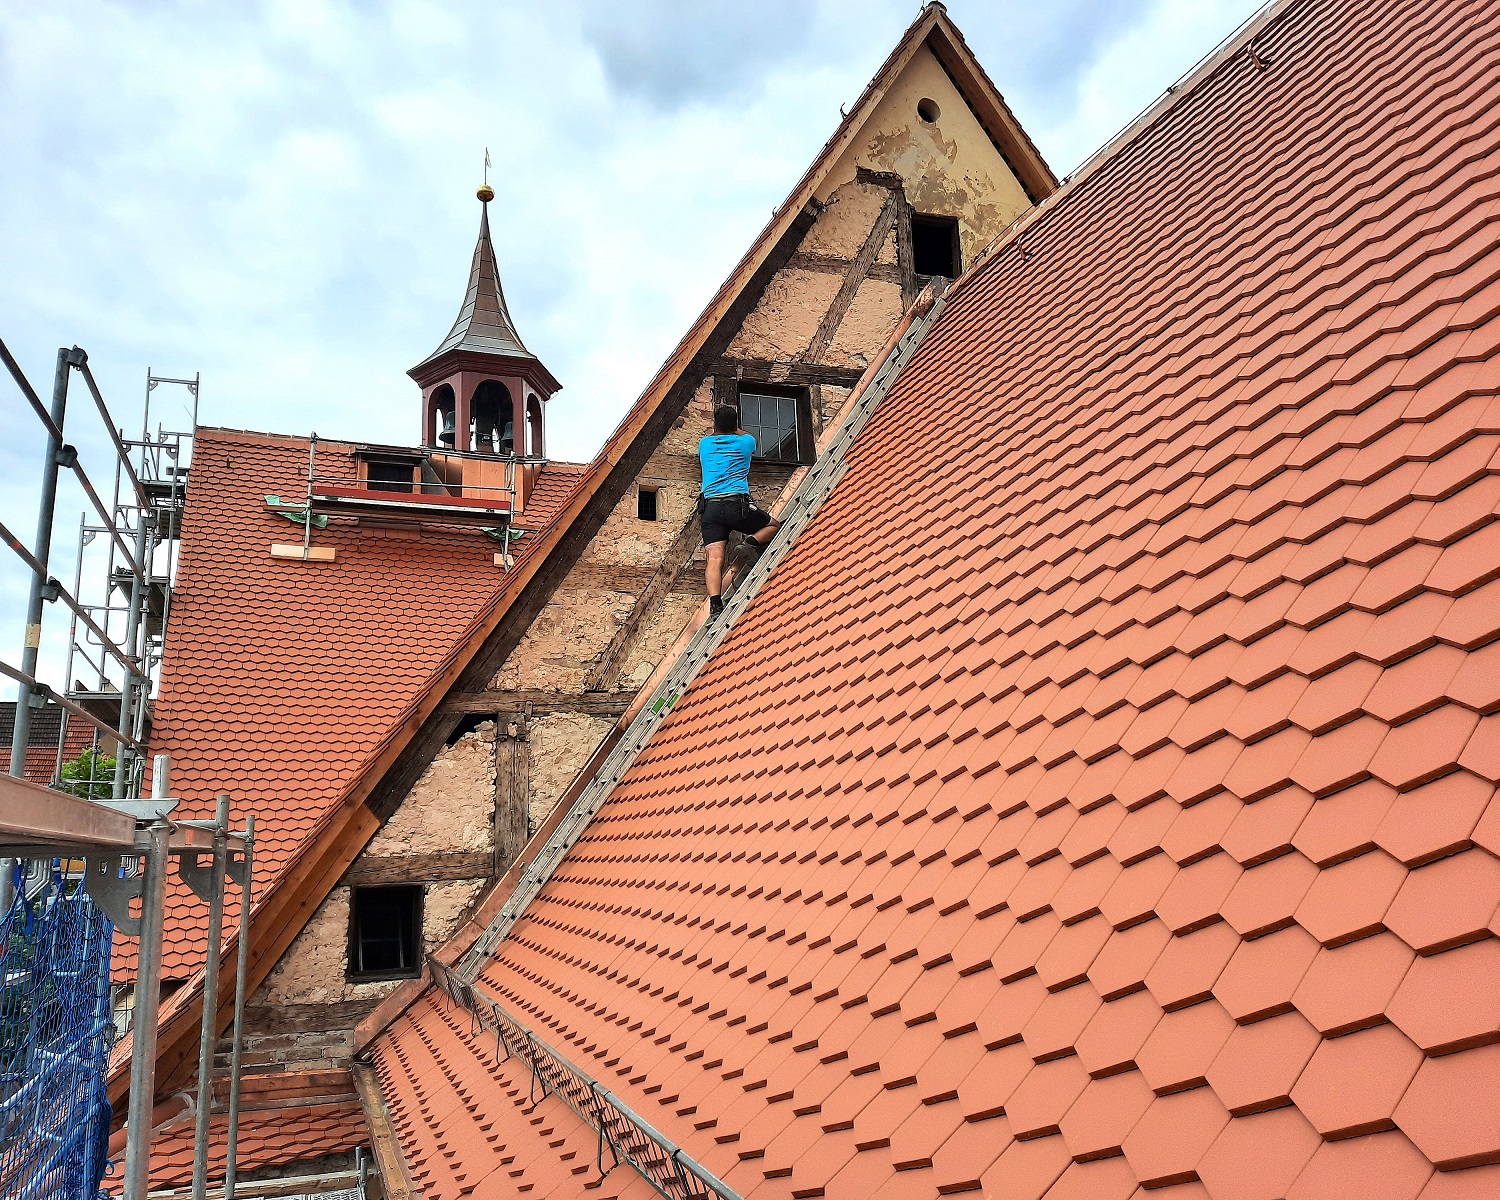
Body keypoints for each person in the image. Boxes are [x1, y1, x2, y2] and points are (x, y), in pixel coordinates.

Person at [699, 404, 781, 619]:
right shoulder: (746, 442)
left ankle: (716, 605)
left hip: (711, 509)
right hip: (737, 505)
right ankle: (750, 543)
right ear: (735, 425)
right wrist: (737, 428)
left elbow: (716, 433)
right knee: (774, 525)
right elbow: (746, 435)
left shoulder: (705, 444)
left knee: (714, 558)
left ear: (715, 424)